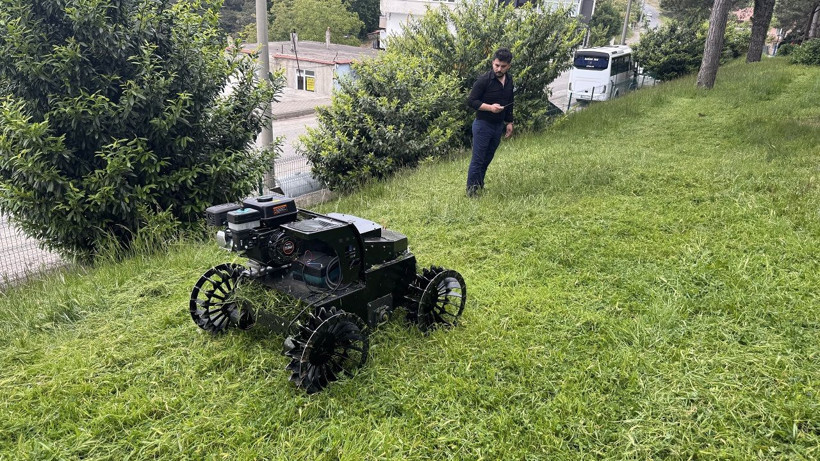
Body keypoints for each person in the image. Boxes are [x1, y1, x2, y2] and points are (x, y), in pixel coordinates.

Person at [465, 47, 514, 197]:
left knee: (487, 158)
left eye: (503, 66)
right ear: (493, 62)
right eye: (496, 65)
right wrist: (490, 108)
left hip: (498, 126)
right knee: (478, 159)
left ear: (509, 66)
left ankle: (479, 186)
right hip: (482, 125)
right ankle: (471, 193)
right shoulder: (484, 80)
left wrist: (509, 122)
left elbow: (510, 101)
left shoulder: (510, 80)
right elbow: (471, 101)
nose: (499, 69)